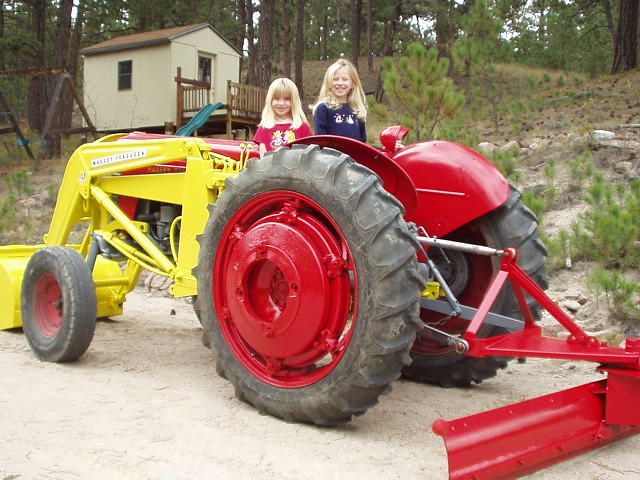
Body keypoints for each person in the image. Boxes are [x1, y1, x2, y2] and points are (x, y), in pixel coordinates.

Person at [253, 77, 313, 158]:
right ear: (270, 100)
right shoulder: (264, 128)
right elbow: (263, 158)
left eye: (286, 99)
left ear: (294, 101)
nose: (281, 103)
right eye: (276, 98)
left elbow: (310, 155)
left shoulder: (303, 127)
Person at [311, 59, 367, 143]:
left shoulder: (358, 110)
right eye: (335, 79)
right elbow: (320, 140)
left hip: (353, 151)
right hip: (330, 151)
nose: (340, 83)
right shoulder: (323, 108)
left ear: (352, 84)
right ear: (329, 83)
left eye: (345, 79)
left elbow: (363, 143)